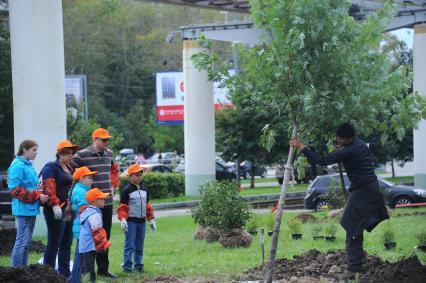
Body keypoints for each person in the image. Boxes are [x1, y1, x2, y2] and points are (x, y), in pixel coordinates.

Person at [290, 123, 389, 280]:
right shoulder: (360, 144)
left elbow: (321, 161)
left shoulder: (348, 151)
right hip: (370, 188)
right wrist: (341, 150)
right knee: (355, 226)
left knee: (351, 226)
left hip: (362, 191)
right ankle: (358, 262)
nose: (338, 140)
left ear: (345, 139)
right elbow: (348, 154)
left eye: (340, 139)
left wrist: (301, 146)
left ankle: (353, 268)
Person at [70, 128, 119, 278]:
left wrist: (114, 184)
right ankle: (87, 271)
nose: (106, 142)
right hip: (91, 205)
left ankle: (103, 270)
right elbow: (69, 169)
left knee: (105, 236)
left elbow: (114, 169)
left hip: (107, 202)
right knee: (90, 238)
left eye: (107, 140)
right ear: (95, 139)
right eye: (103, 140)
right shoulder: (82, 155)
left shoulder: (109, 154)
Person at [41, 140, 80, 277]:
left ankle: (64, 274)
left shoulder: (70, 168)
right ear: (60, 154)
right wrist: (55, 204)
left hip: (69, 209)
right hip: (55, 209)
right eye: (68, 153)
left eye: (73, 153)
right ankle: (48, 273)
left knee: (66, 243)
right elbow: (49, 187)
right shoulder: (50, 167)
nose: (71, 155)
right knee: (54, 242)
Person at [7, 140, 49, 267]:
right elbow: (15, 189)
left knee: (26, 243)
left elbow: (31, 186)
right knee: (21, 242)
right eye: (34, 150)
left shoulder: (28, 165)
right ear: (24, 150)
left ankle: (23, 271)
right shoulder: (17, 165)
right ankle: (16, 272)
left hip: (30, 208)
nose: (36, 153)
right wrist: (37, 195)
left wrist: (40, 191)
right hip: (22, 209)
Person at [117, 164, 156, 273]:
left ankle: (138, 266)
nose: (139, 177)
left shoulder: (145, 189)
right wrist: (123, 219)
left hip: (142, 222)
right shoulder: (126, 190)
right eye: (136, 175)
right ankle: (127, 267)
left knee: (140, 245)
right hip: (131, 222)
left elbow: (147, 206)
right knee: (130, 245)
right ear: (130, 176)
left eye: (140, 175)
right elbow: (123, 207)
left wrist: (151, 219)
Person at [70, 166, 98, 283]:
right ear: (81, 179)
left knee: (81, 256)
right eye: (89, 178)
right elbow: (85, 212)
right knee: (80, 257)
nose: (92, 181)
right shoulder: (81, 192)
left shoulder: (82, 190)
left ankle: (76, 279)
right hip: (83, 229)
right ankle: (75, 280)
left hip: (82, 229)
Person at [79, 188, 111, 283]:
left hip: (84, 246)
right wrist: (103, 245)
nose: (104, 200)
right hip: (89, 246)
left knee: (85, 269)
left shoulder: (87, 211)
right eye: (101, 198)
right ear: (94, 201)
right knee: (89, 271)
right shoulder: (94, 214)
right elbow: (97, 231)